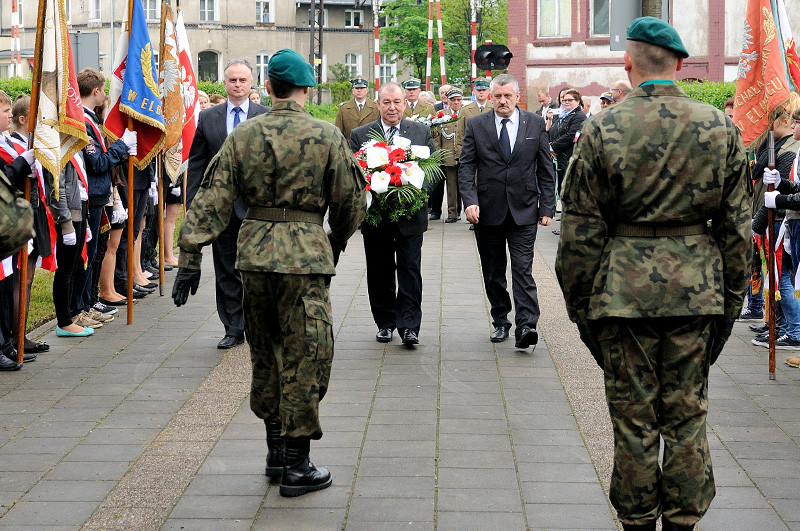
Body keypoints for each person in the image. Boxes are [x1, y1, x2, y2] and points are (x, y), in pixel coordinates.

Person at [555, 17, 751, 531]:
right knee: (687, 418)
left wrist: (581, 308)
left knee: (633, 421)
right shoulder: (718, 126)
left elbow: (579, 233)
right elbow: (737, 229)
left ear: (628, 63)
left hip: (622, 296)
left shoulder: (602, 128)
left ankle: (638, 521)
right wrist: (731, 302)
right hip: (697, 295)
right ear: (681, 66)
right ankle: (684, 521)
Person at [173, 48, 365, 497]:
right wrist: (332, 242)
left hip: (255, 257)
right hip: (305, 259)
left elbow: (211, 197)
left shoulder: (242, 136)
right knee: (307, 354)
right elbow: (352, 203)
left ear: (270, 87)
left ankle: (275, 453)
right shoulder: (325, 136)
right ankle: (297, 465)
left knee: (267, 352)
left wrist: (189, 258)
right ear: (303, 88)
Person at [458, 73, 555, 349]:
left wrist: (547, 206)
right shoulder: (477, 125)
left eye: (507, 96)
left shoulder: (534, 124)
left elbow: (546, 169)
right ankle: (501, 320)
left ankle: (526, 325)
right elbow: (466, 167)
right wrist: (469, 200)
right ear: (491, 97)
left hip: (524, 210)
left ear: (517, 97)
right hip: (487, 211)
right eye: (497, 96)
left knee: (523, 268)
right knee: (493, 270)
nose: (502, 101)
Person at [186, 59, 270, 349]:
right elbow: (197, 163)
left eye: (243, 81)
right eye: (232, 80)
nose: (237, 85)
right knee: (225, 269)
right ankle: (233, 327)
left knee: (257, 271)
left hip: (258, 210)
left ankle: (257, 324)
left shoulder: (266, 116)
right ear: (225, 83)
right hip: (220, 210)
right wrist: (194, 204)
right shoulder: (209, 118)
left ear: (251, 84)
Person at [350, 82, 436, 346]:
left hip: (410, 216)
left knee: (410, 270)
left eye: (397, 102)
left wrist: (414, 197)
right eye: (387, 102)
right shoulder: (360, 134)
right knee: (379, 271)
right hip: (376, 218)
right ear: (378, 104)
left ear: (405, 103)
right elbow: (353, 174)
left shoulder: (420, 132)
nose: (392, 107)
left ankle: (410, 326)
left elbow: (432, 172)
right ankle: (385, 323)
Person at [76, 68, 136, 322]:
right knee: (88, 254)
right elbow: (98, 163)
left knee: (97, 251)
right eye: (103, 90)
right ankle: (82, 305)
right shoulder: (84, 122)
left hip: (100, 196)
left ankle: (89, 303)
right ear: (96, 91)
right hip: (92, 196)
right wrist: (123, 146)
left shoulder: (91, 119)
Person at [751, 100, 800, 351]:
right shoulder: (778, 146)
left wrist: (757, 223)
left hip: (783, 219)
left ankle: (793, 330)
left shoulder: (790, 149)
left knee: (784, 279)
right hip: (783, 219)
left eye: (797, 122)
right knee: (780, 278)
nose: (793, 125)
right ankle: (779, 327)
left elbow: (791, 194)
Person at [431, 87, 464, 223]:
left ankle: (465, 211)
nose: (456, 102)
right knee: (451, 186)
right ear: (448, 101)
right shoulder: (441, 115)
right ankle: (452, 214)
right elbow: (437, 137)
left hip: (464, 155)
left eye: (458, 100)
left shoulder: (466, 114)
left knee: (465, 186)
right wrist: (439, 155)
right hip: (448, 156)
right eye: (453, 100)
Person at [548, 88, 587, 199]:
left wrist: (552, 147)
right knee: (560, 191)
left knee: (569, 192)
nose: (566, 102)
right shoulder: (561, 116)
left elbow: (571, 136)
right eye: (564, 100)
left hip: (569, 159)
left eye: (570, 100)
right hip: (559, 160)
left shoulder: (579, 116)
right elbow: (553, 131)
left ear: (578, 101)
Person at [334, 77, 379, 141]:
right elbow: (338, 132)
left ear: (366, 90)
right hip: (350, 147)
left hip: (370, 146)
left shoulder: (376, 108)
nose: (359, 90)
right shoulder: (343, 108)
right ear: (353, 91)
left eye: (362, 88)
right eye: (357, 88)